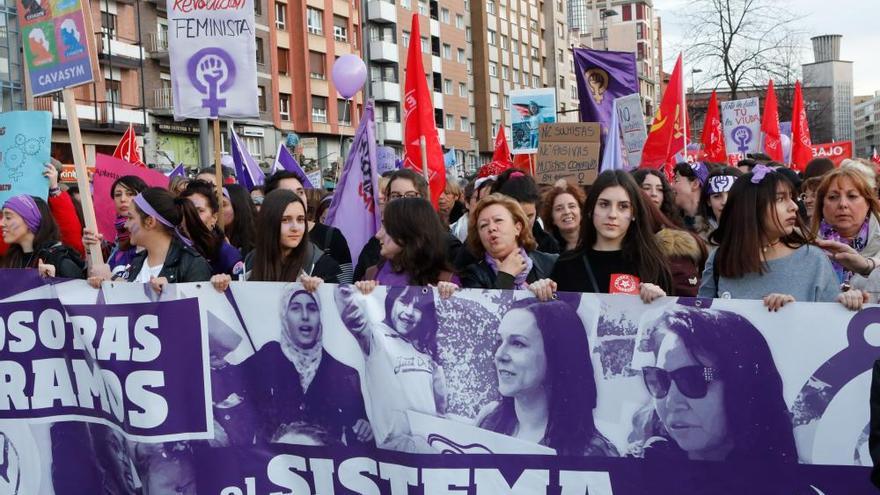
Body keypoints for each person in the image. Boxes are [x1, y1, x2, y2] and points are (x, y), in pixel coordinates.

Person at [638, 306, 797, 462]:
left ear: (744, 387)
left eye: (693, 379)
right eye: (660, 379)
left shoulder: (794, 487)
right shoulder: (633, 474)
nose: (671, 402)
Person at [699, 165, 863, 311]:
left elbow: (832, 326)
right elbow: (701, 322)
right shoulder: (720, 258)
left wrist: (849, 302)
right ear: (751, 207)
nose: (793, 207)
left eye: (791, 197)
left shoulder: (813, 259)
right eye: (780, 199)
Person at [230, 288, 372, 445]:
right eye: (295, 308)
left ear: (320, 317)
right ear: (284, 316)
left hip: (324, 466)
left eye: (312, 308)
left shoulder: (344, 374)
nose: (305, 316)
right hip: (271, 465)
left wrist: (365, 429)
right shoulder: (268, 357)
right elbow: (226, 381)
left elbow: (359, 431)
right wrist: (219, 289)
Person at [476, 298, 617, 456]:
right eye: (499, 341)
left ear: (557, 354)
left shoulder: (593, 454)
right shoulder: (487, 422)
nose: (499, 355)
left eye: (518, 343)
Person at [334, 285, 447, 447]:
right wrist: (361, 287)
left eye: (417, 308)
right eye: (404, 301)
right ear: (391, 302)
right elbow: (344, 301)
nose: (409, 312)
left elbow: (440, 409)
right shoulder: (375, 337)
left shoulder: (427, 350)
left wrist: (448, 290)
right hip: (394, 448)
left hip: (428, 446)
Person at [551, 170, 672, 303]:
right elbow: (553, 320)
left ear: (634, 213)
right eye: (604, 204)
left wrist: (661, 303)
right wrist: (540, 293)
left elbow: (670, 320)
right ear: (591, 209)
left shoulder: (653, 265)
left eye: (623, 206)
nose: (612, 214)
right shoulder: (566, 265)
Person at [87, 187, 213, 291]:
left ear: (149, 222)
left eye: (130, 218)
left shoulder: (193, 264)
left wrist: (171, 293)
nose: (126, 225)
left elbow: (197, 316)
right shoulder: (138, 261)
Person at [212, 189, 339, 288]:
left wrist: (323, 292)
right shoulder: (249, 264)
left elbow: (340, 312)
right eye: (285, 220)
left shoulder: (322, 266)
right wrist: (220, 286)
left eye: (300, 220)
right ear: (269, 222)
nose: (295, 228)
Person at [355, 169, 464, 280]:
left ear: (424, 199)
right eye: (396, 196)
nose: (403, 203)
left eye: (410, 196)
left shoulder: (448, 245)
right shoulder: (374, 247)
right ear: (387, 200)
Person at [460, 193, 558, 299]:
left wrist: (549, 294)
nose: (491, 228)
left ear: (517, 228)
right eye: (483, 225)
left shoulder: (550, 263)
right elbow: (486, 313)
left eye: (498, 220)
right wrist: (505, 276)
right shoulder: (473, 275)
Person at [265, 171, 353, 283]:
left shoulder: (331, 238)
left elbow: (345, 288)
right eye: (288, 194)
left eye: (300, 192)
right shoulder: (252, 260)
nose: (296, 198)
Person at [811, 167, 880, 297]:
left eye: (852, 196)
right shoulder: (802, 247)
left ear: (868, 203)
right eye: (833, 197)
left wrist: (868, 266)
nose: (843, 204)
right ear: (821, 205)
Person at [361, 197, 459, 287]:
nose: (378, 235)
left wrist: (449, 297)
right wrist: (361, 296)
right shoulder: (372, 275)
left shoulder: (445, 282)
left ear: (409, 231)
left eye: (386, 226)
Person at [0, 195, 84, 278]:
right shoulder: (11, 258)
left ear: (30, 221)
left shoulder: (59, 261)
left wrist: (52, 281)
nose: (1, 223)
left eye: (8, 217)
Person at [82, 175, 148, 276]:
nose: (122, 199)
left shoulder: (150, 238)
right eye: (117, 195)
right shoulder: (114, 242)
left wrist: (110, 278)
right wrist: (91, 250)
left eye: (130, 194)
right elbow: (95, 278)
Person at [178, 180, 243, 275]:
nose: (191, 216)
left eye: (199, 210)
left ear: (214, 217)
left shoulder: (228, 254)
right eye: (186, 210)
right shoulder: (172, 250)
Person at [491, 169, 559, 254]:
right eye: (518, 217)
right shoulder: (488, 243)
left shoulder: (548, 245)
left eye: (530, 216)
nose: (525, 223)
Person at [697, 167, 742, 244]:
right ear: (708, 201)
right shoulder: (700, 243)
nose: (724, 202)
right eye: (717, 196)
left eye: (731, 195)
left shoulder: (759, 237)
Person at [541, 181, 586, 253]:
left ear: (581, 212)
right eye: (559, 209)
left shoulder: (596, 241)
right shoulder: (547, 250)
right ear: (552, 218)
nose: (567, 212)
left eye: (572, 206)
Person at [671, 162, 712, 233]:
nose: (672, 186)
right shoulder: (669, 224)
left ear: (695, 184)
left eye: (676, 180)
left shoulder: (716, 227)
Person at [222, 183, 257, 257]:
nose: (216, 209)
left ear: (239, 206)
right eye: (213, 204)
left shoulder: (258, 245)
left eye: (223, 205)